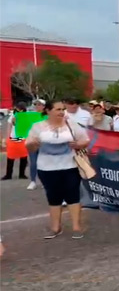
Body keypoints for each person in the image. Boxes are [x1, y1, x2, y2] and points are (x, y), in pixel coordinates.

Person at [25, 100, 89, 239]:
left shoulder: (70, 124)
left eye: (62, 109)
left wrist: (77, 144)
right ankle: (55, 227)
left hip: (70, 165)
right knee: (53, 196)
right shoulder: (38, 127)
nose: (61, 112)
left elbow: (85, 140)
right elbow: (29, 146)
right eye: (58, 109)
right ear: (48, 111)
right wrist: (33, 144)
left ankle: (76, 227)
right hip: (46, 168)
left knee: (73, 195)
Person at [2, 102, 29, 181]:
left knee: (23, 157)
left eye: (19, 109)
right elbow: (9, 126)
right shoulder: (13, 115)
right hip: (13, 138)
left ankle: (22, 174)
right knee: (10, 158)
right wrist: (7, 138)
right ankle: (8, 174)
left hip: (23, 138)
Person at [26, 99, 47, 190]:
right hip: (33, 142)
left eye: (40, 105)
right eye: (36, 104)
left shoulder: (47, 116)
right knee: (33, 162)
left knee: (44, 163)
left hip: (44, 142)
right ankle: (33, 181)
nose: (38, 106)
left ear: (44, 106)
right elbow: (24, 127)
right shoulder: (30, 116)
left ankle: (44, 181)